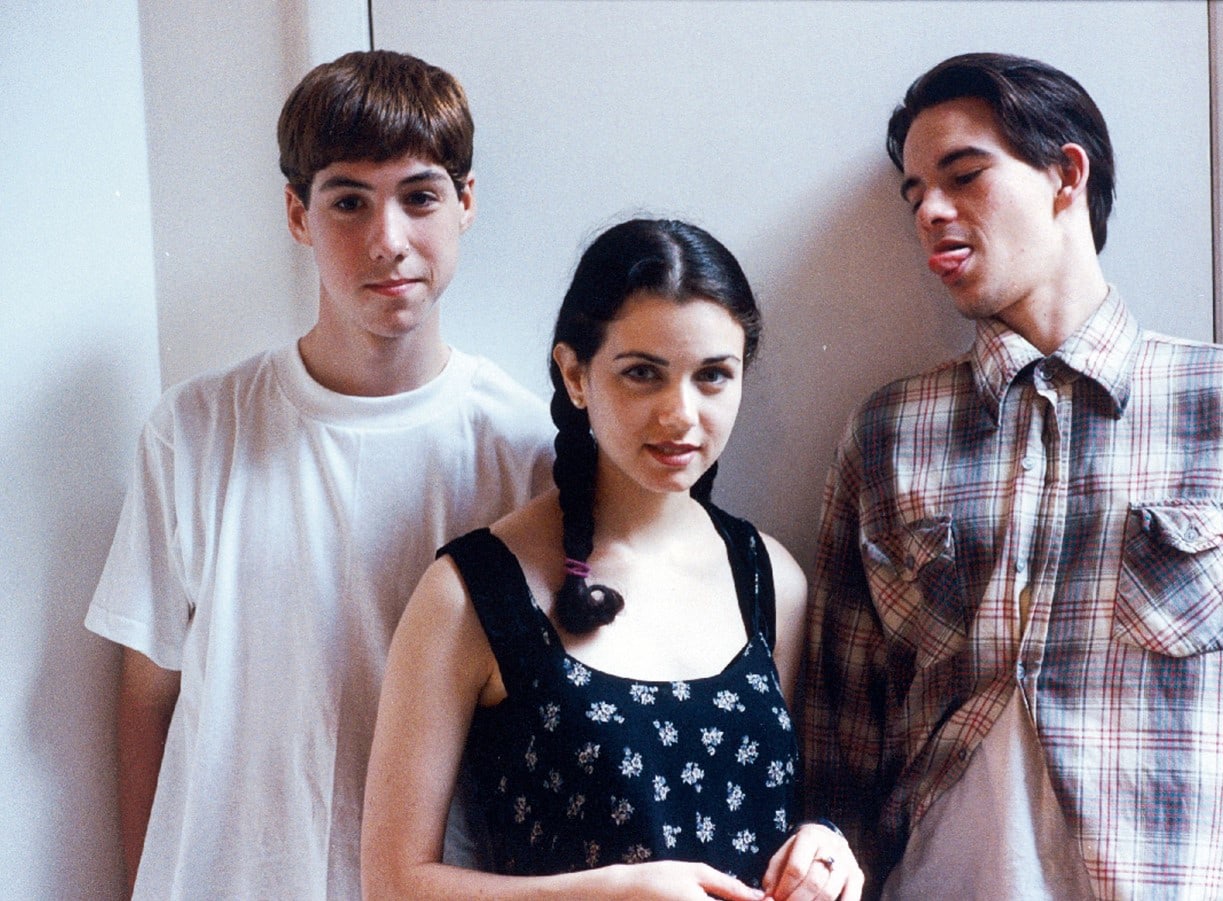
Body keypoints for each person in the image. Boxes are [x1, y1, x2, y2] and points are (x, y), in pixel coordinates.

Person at [803, 52, 1223, 899]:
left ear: (1066, 174)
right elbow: (838, 740)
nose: (931, 214)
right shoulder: (888, 431)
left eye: (963, 176)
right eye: (914, 195)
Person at [85, 50, 554, 898]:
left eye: (419, 196)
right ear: (299, 214)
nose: (388, 240)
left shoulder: (525, 451)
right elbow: (146, 701)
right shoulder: (196, 430)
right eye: (348, 200)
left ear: (466, 203)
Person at [362, 218, 860, 900]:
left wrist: (824, 850)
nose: (681, 413)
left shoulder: (770, 578)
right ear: (574, 373)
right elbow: (392, 883)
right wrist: (614, 892)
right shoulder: (473, 593)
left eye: (713, 375)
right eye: (642, 374)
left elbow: (792, 819)